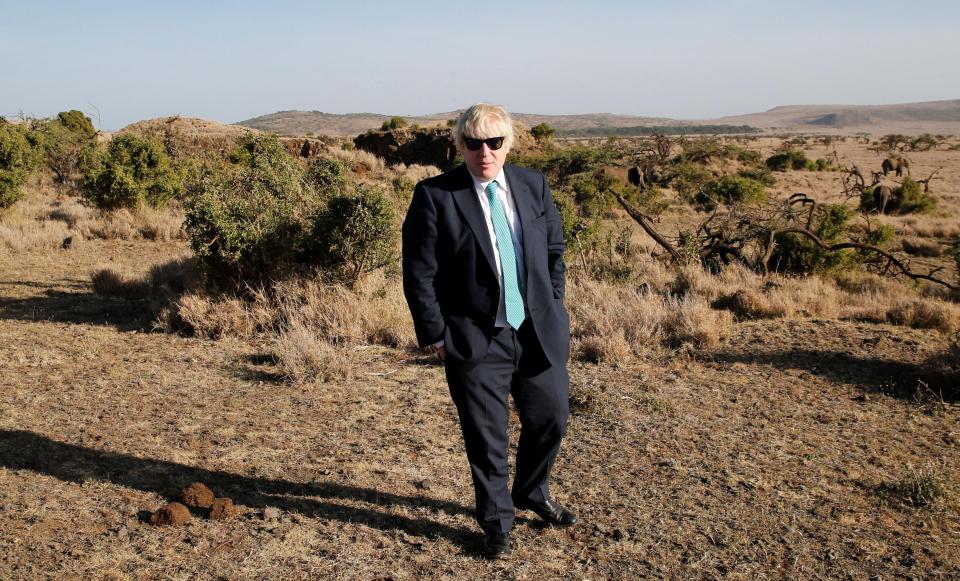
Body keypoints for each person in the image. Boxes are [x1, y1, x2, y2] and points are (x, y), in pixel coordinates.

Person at [402, 103, 576, 559]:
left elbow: (554, 249)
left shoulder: (533, 184)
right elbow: (419, 272)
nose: (485, 152)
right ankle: (497, 522)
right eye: (474, 143)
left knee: (552, 416)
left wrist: (553, 301)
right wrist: (436, 334)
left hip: (536, 331)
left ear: (508, 144)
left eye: (495, 142)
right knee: (486, 436)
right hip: (475, 337)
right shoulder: (435, 195)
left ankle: (531, 492)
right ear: (460, 145)